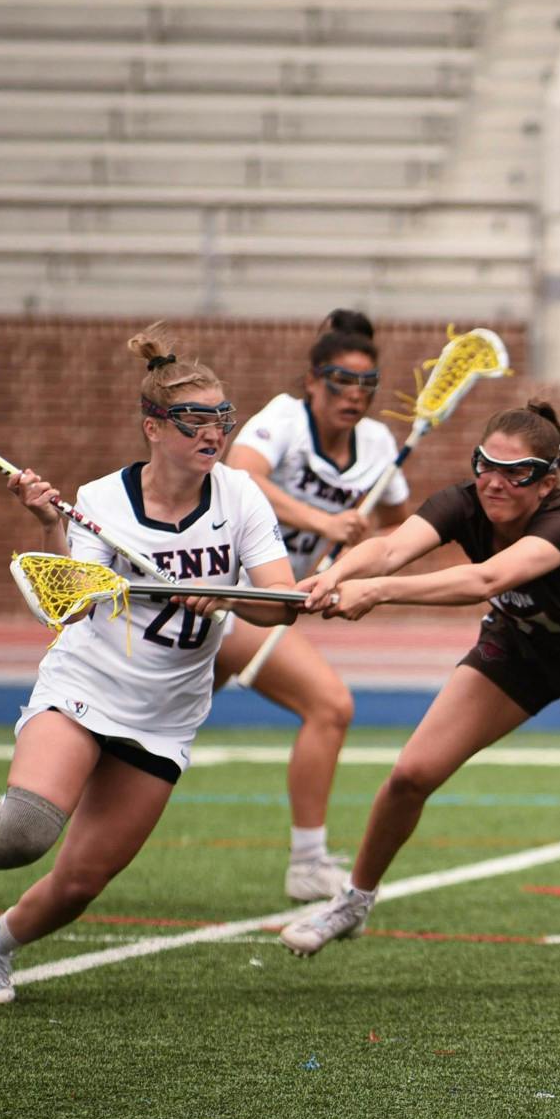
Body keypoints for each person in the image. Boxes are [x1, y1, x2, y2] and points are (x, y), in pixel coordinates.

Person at [0, 328, 300, 1005]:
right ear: (153, 427)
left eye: (221, 416)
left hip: (165, 715)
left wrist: (224, 593)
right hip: (86, 685)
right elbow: (67, 613)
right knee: (23, 833)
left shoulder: (240, 497)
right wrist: (49, 525)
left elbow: (280, 606)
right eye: (193, 417)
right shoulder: (101, 500)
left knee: (79, 884)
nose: (212, 431)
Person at [279, 400, 560, 984]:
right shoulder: (464, 502)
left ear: (547, 482)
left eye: (514, 472)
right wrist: (338, 573)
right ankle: (354, 900)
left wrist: (379, 593)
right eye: (483, 464)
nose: (493, 482)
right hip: (522, 651)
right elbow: (392, 546)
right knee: (411, 774)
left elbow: (486, 579)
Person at [215, 308, 409, 902]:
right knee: (329, 705)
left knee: (136, 733)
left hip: (265, 606)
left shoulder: (378, 445)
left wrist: (361, 550)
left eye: (365, 384)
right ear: (311, 380)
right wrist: (324, 520)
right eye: (338, 380)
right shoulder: (283, 420)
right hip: (223, 592)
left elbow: (399, 528)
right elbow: (239, 474)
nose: (352, 395)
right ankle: (307, 862)